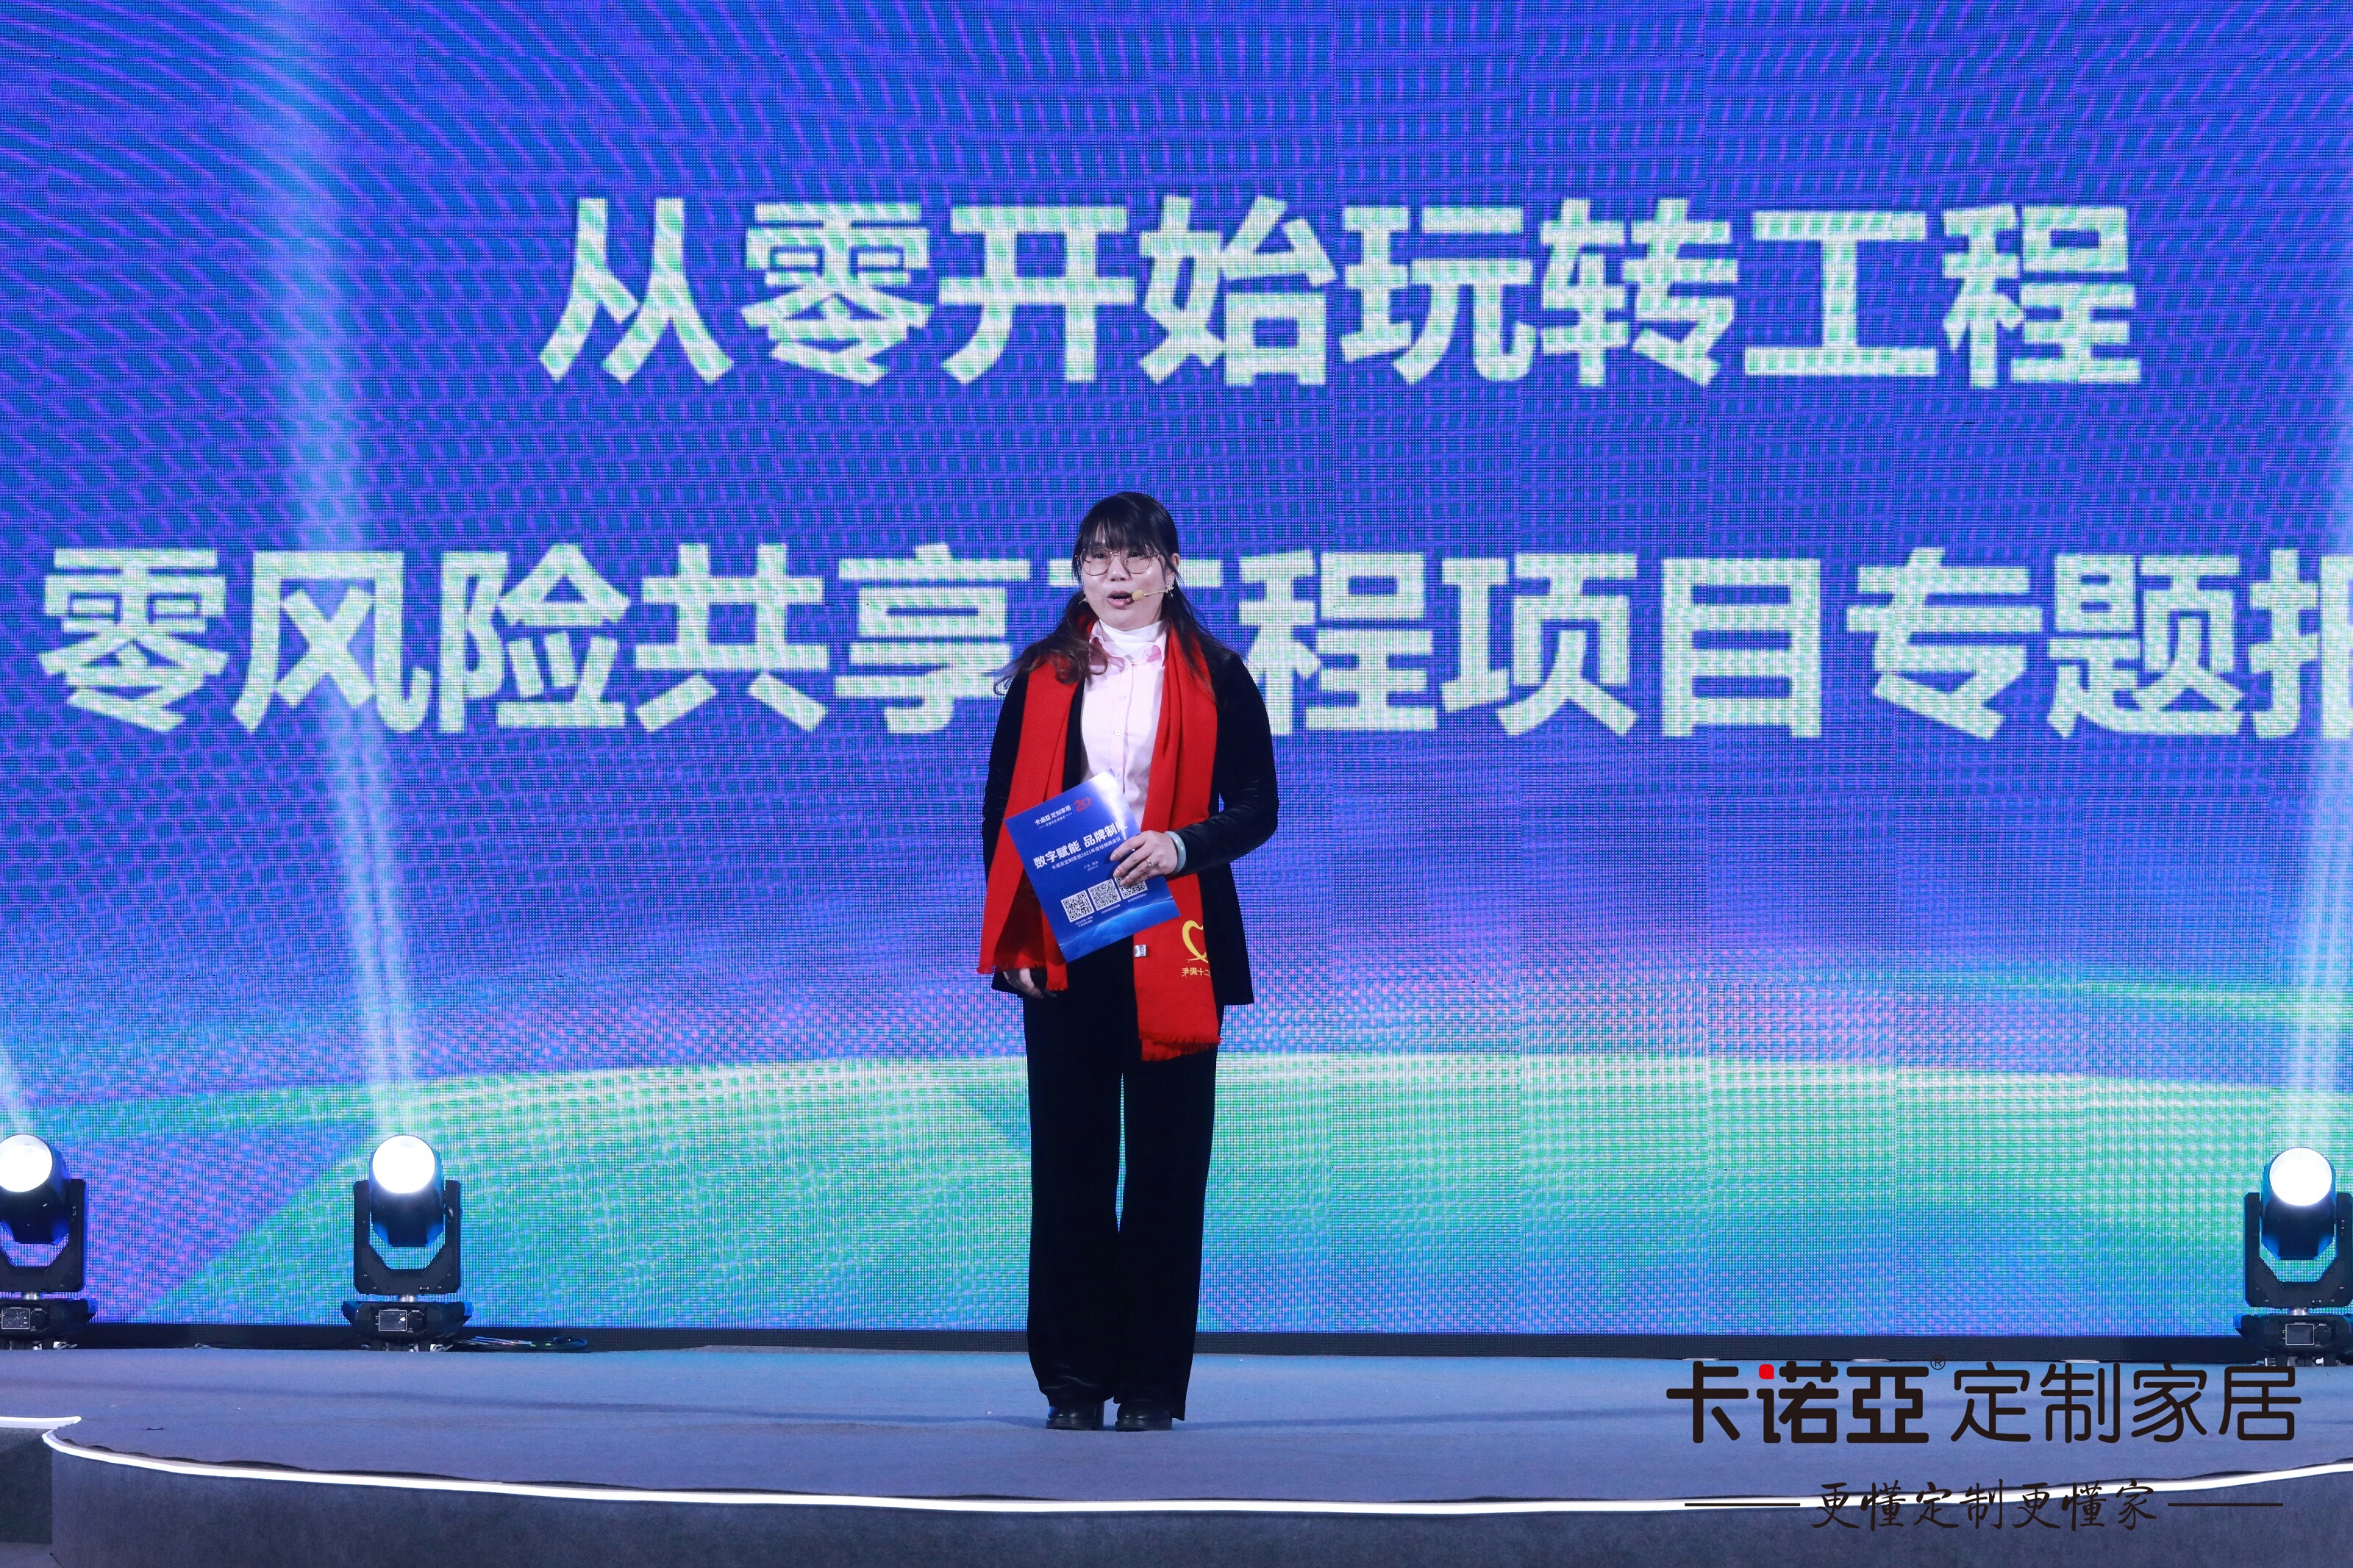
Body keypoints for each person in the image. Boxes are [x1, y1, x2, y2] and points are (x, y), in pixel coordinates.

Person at [977, 492, 1278, 1433]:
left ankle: (1149, 1385)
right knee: (1068, 1169)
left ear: (1170, 571)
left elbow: (1258, 807)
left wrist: (1180, 846)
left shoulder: (1219, 674)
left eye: (1136, 557)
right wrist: (1014, 943)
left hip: (1175, 942)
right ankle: (1072, 1381)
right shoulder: (1043, 676)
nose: (1117, 574)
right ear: (1077, 572)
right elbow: (1001, 815)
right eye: (1099, 558)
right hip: (1066, 945)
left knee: (1164, 1174)